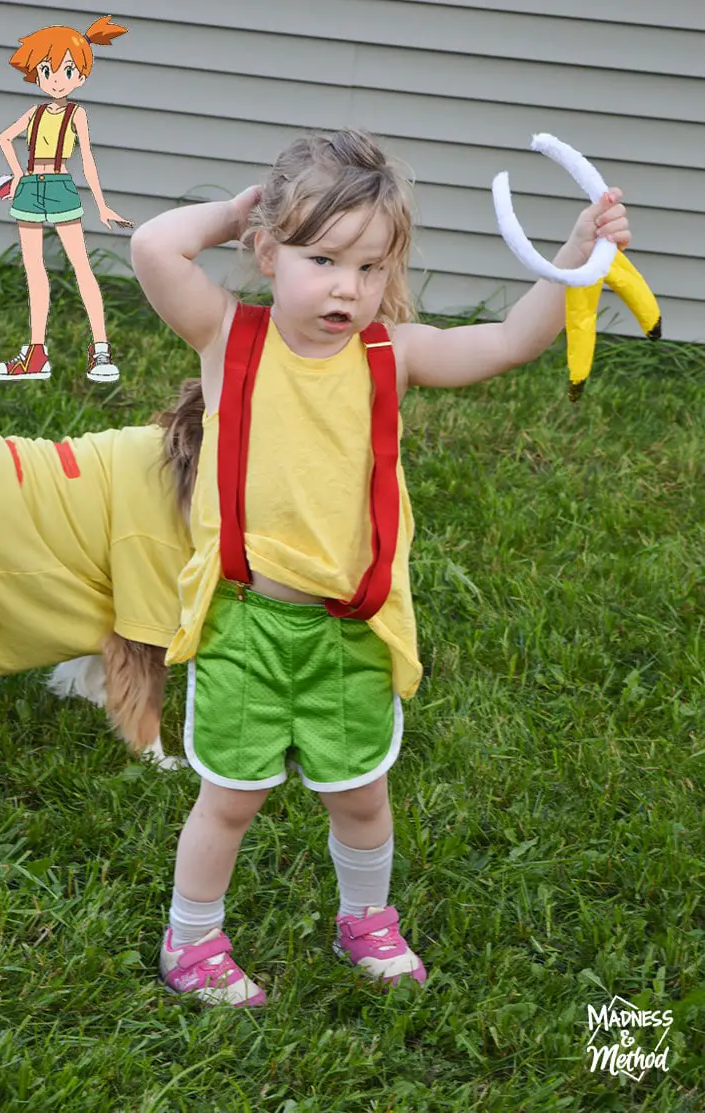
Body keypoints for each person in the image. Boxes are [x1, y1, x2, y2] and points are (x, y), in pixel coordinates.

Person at [130, 128, 631, 1007]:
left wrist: (573, 258)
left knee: (361, 796)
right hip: (248, 623)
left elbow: (510, 340)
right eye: (322, 259)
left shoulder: (387, 355)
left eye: (370, 267)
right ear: (267, 253)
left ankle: (364, 918)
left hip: (354, 629)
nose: (347, 288)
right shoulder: (228, 337)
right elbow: (152, 248)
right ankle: (193, 938)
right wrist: (237, 211)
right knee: (231, 799)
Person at [0, 15, 132, 384]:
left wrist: (101, 204)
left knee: (81, 266)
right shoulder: (34, 113)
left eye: (66, 70)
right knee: (34, 271)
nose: (55, 78)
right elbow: (4, 138)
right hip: (30, 189)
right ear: (37, 75)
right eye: (46, 69)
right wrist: (18, 173)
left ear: (80, 76)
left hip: (59, 186)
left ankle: (100, 347)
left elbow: (86, 160)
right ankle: (36, 352)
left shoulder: (76, 113)